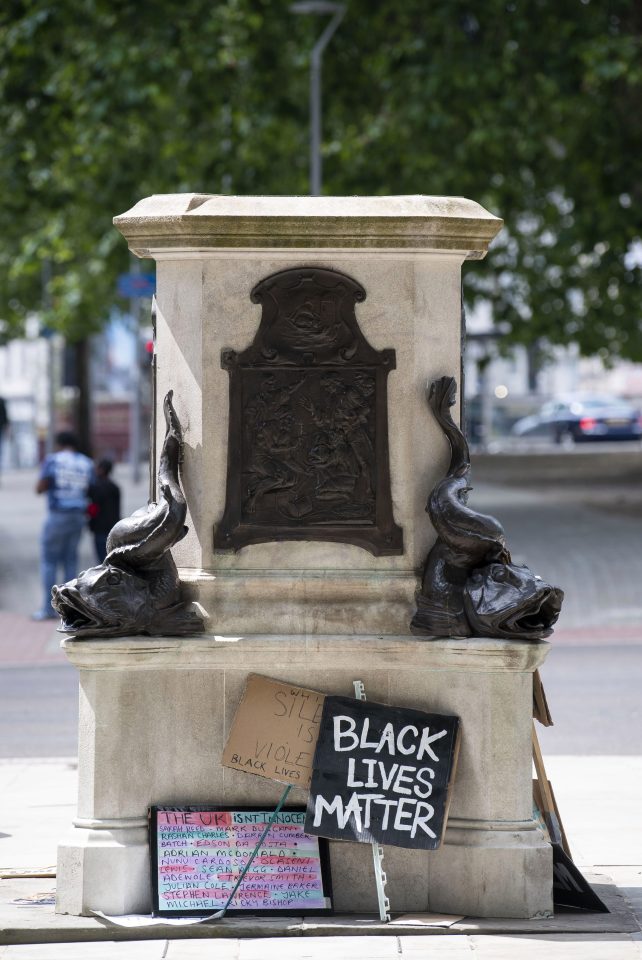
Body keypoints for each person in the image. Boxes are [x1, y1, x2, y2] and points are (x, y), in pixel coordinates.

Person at [32, 431, 94, 620]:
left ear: (59, 444)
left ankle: (47, 608)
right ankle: (69, 609)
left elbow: (40, 487)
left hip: (58, 515)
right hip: (78, 517)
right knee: (70, 560)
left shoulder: (53, 460)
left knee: (49, 560)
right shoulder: (86, 463)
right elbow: (91, 488)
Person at [87, 459, 121, 562]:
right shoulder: (115, 487)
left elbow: (93, 508)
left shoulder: (95, 488)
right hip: (113, 527)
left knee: (102, 560)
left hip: (99, 528)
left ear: (101, 470)